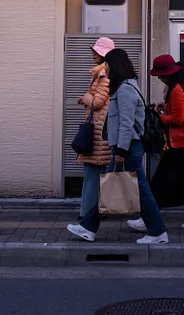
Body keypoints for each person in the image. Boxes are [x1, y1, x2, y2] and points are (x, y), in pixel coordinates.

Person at [68, 48, 169, 244]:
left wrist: (121, 150)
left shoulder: (125, 89)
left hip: (128, 147)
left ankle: (158, 232)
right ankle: (88, 227)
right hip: (125, 146)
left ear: (115, 66)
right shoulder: (125, 87)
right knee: (107, 185)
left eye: (107, 64)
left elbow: (126, 122)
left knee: (140, 189)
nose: (105, 67)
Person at [127, 55, 184, 232]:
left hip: (179, 142)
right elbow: (181, 113)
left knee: (159, 180)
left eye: (160, 75)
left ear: (168, 74)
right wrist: (164, 107)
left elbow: (178, 120)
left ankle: (147, 219)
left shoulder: (177, 90)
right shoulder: (182, 86)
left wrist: (157, 117)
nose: (159, 78)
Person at [77, 37, 114, 222]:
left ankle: (87, 214)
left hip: (98, 133)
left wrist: (85, 97)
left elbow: (98, 102)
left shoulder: (103, 74)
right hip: (100, 129)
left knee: (92, 174)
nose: (93, 53)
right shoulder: (103, 72)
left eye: (96, 51)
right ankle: (96, 211)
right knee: (96, 175)